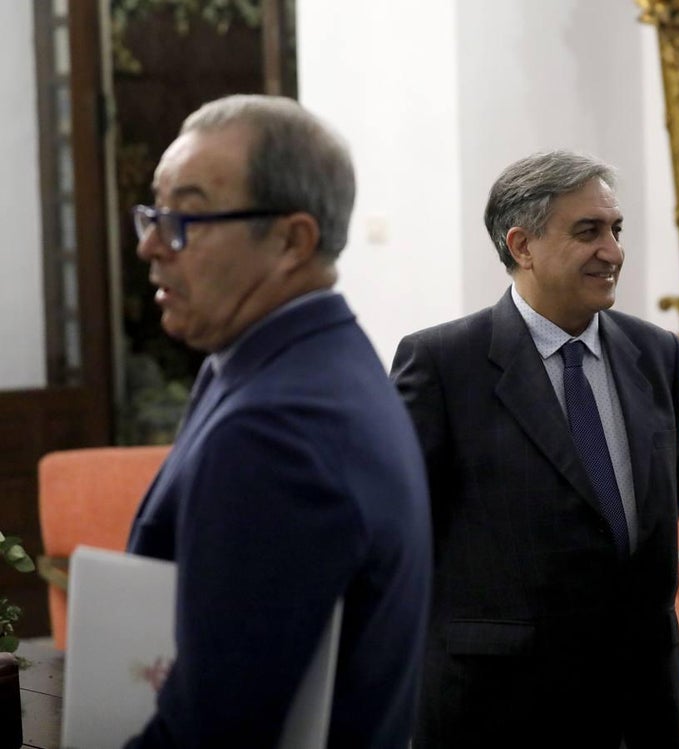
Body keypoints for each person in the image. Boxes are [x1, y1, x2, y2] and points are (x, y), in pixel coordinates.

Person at [125, 94, 432, 748]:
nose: (152, 243)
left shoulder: (277, 429)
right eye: (155, 209)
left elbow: (216, 728)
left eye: (188, 215)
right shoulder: (298, 361)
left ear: (292, 240)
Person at [391, 150, 679, 748]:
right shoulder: (443, 364)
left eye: (615, 229)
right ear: (522, 245)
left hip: (640, 699)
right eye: (588, 232)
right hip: (496, 704)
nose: (613, 251)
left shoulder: (656, 353)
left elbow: (659, 509)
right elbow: (401, 536)